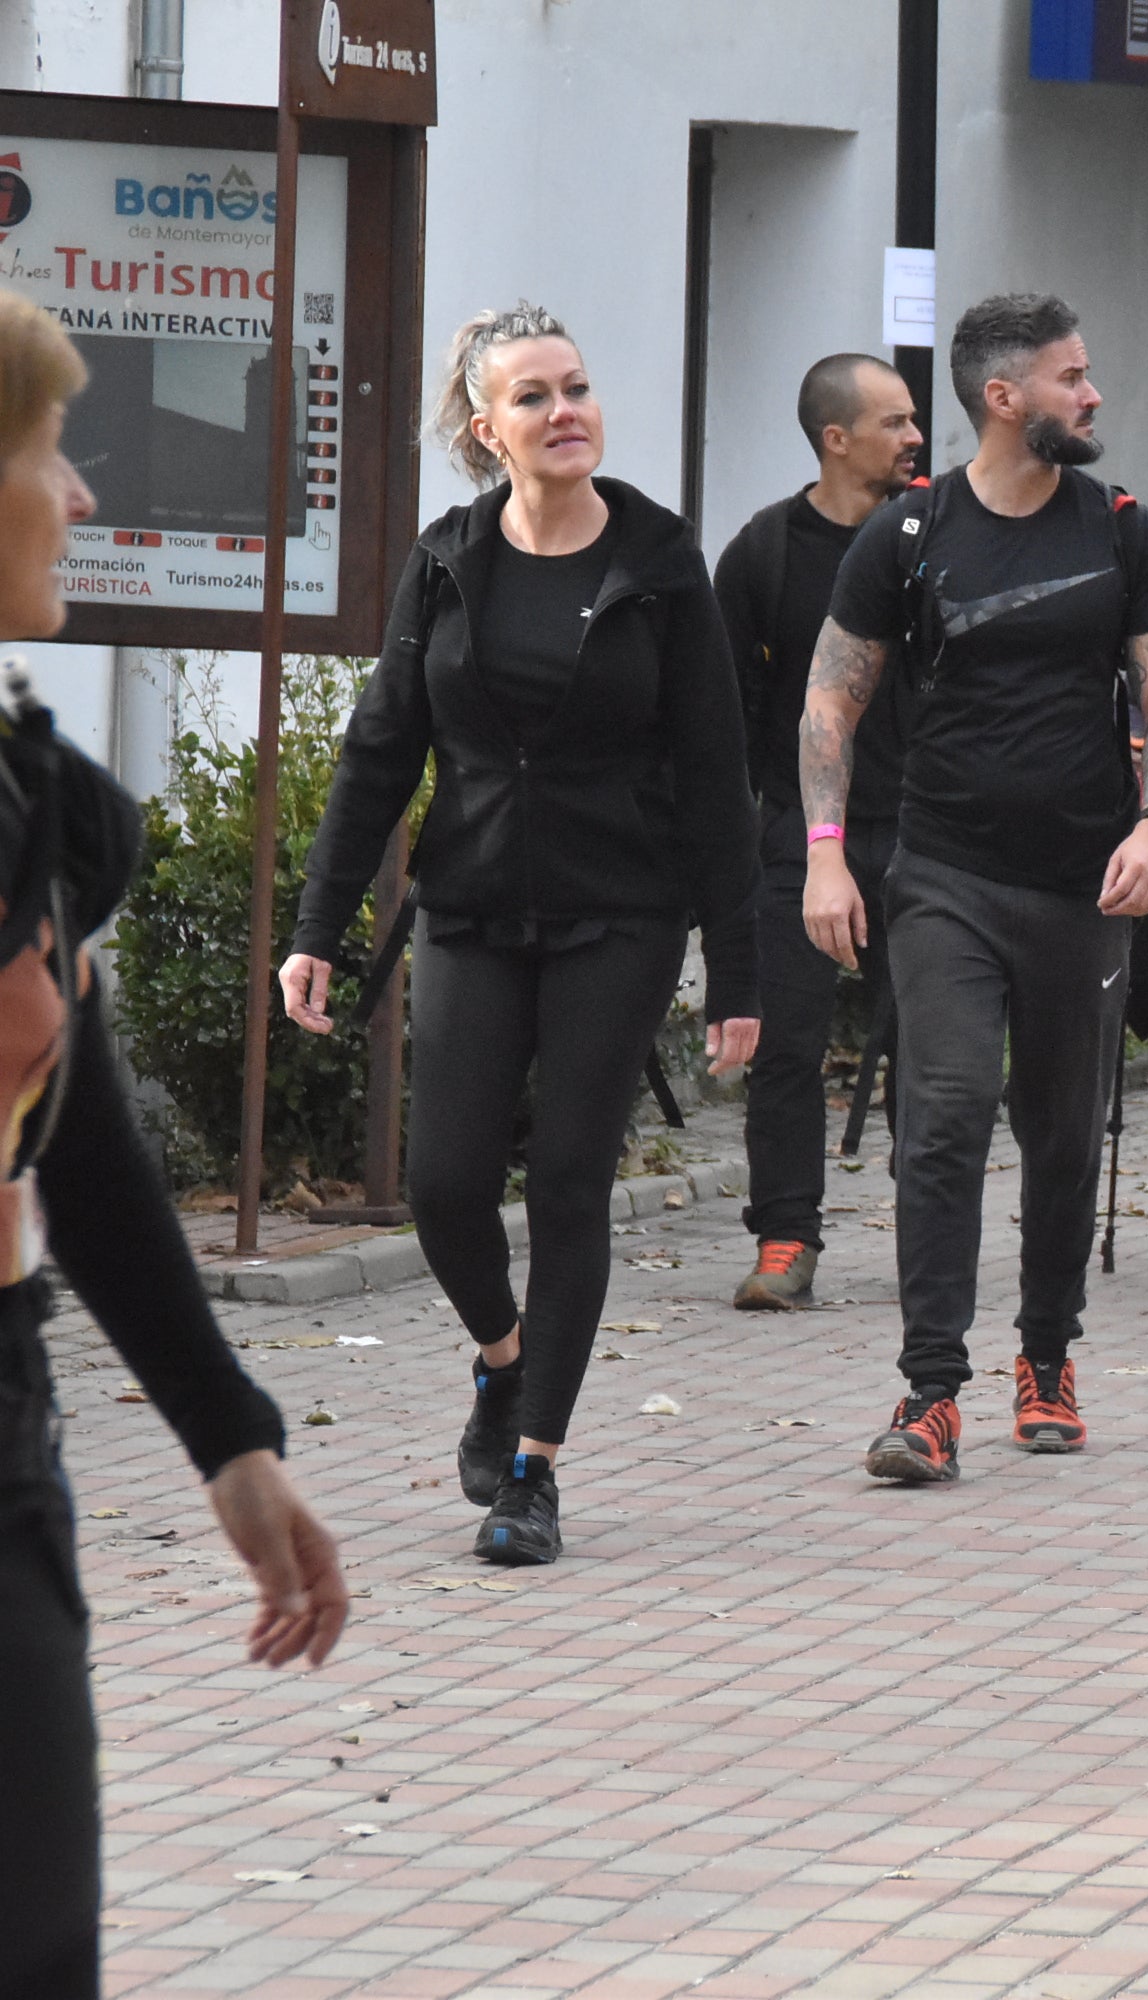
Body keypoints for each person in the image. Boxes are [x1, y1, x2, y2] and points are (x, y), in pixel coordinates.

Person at [285, 303, 761, 1567]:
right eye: (536, 397)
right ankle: (502, 1358)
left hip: (622, 911)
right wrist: (318, 925)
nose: (567, 413)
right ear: (487, 430)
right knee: (443, 1186)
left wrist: (741, 971)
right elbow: (382, 746)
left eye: (579, 388)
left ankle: (535, 1471)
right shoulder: (449, 560)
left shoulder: (660, 564)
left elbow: (718, 778)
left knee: (566, 1181)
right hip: (474, 904)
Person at [0, 287, 347, 1999]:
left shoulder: (20, 793)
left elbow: (81, 1149)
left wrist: (230, 1436)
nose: (75, 496)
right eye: (45, 450)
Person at [802, 293, 1148, 1483]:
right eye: (1071, 377)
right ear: (1004, 396)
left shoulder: (1121, 532)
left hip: (1085, 884)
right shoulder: (909, 536)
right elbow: (831, 699)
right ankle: (930, 1390)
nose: (1091, 394)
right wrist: (827, 847)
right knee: (947, 1112)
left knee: (1065, 1129)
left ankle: (1046, 1354)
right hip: (946, 876)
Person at [721, 353, 923, 1310]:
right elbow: (727, 711)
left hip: (926, 836)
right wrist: (760, 830)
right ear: (836, 439)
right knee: (786, 1045)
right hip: (799, 842)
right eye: (895, 422)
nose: (915, 438)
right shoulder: (762, 553)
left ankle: (931, 1235)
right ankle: (785, 1238)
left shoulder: (931, 541)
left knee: (931, 1050)